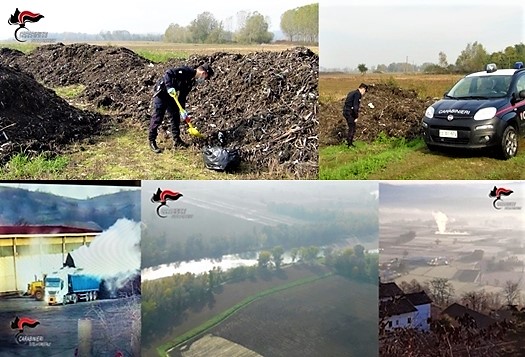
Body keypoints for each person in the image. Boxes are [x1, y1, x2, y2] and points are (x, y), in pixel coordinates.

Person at [148, 63, 213, 153]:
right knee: (157, 118)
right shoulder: (187, 71)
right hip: (162, 94)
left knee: (175, 117)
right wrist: (169, 87)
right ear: (204, 73)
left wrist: (182, 110)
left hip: (172, 97)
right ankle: (152, 141)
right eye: (206, 78)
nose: (204, 80)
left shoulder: (191, 82)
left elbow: (182, 96)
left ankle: (177, 140)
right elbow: (168, 73)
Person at [342, 83, 368, 147]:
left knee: (351, 127)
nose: (364, 93)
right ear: (363, 89)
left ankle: (348, 141)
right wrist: (356, 116)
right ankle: (349, 144)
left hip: (345, 111)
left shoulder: (351, 92)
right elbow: (355, 106)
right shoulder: (357, 94)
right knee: (352, 128)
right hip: (349, 113)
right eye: (364, 91)